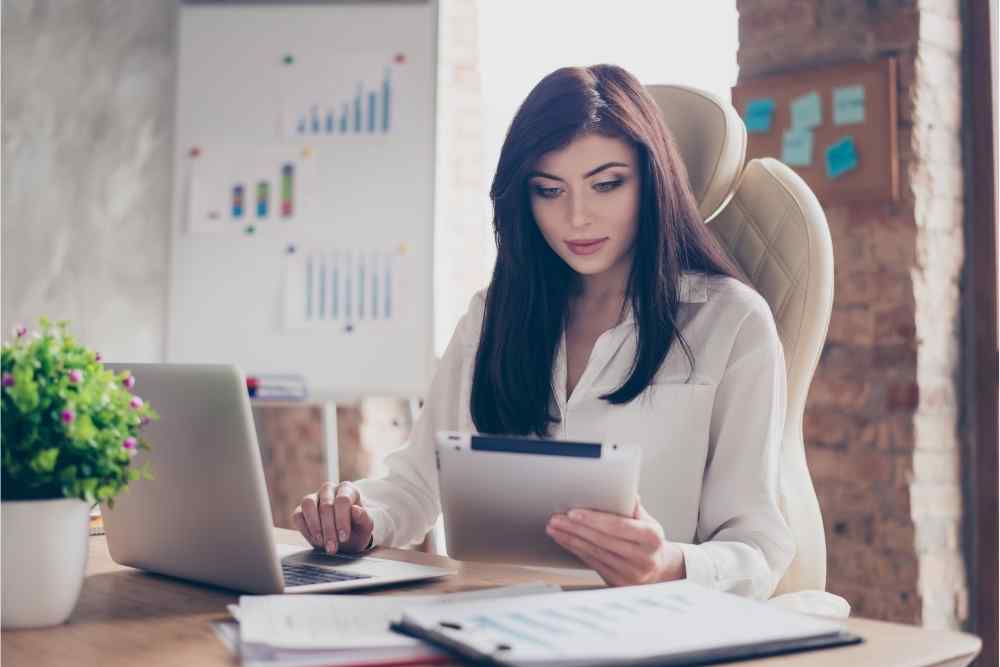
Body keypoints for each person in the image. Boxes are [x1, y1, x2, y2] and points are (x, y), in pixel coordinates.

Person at [293, 64, 795, 599]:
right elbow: (418, 481)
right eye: (549, 190)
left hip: (646, 626)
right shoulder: (493, 316)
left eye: (606, 184)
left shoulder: (731, 321)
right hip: (490, 618)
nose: (577, 217)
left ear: (652, 183)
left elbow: (758, 545)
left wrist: (669, 564)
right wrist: (361, 516)